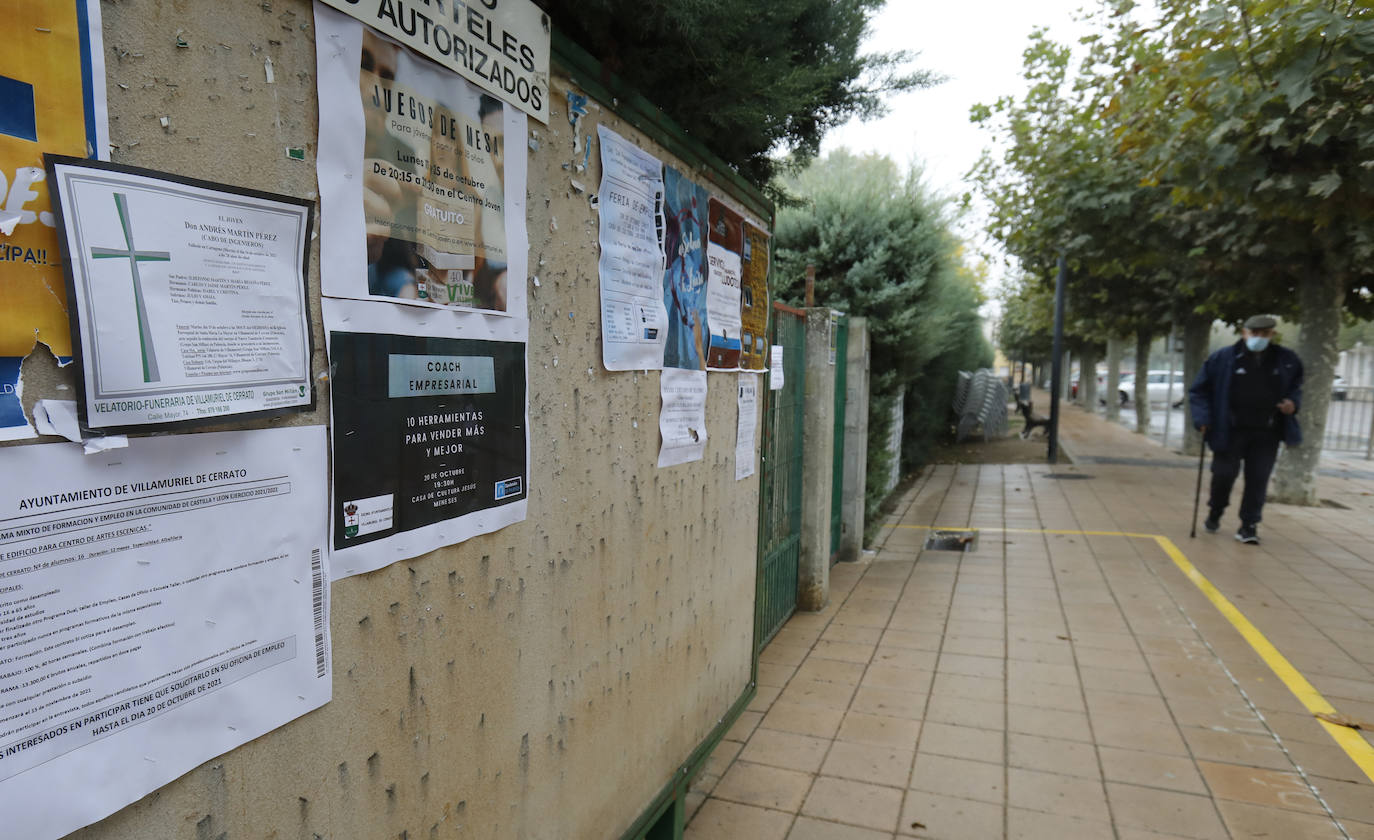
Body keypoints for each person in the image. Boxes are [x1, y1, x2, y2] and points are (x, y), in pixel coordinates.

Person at [1188, 314, 1303, 544]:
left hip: (1267, 431)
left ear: (1272, 334)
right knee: (1223, 475)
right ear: (1244, 333)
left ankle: (1248, 525)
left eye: (1265, 334)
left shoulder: (1287, 360)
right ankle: (1215, 511)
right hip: (1229, 430)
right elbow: (1199, 391)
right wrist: (1202, 418)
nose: (1259, 338)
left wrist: (1292, 403)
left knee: (1258, 478)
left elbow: (1296, 388)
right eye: (1254, 333)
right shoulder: (1223, 358)